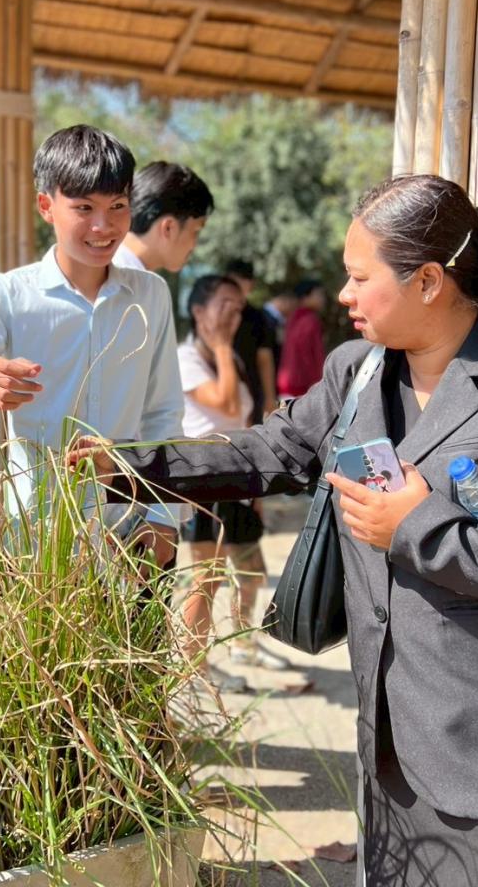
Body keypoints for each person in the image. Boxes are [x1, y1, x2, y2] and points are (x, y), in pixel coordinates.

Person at [76, 174, 478, 887]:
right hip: (395, 760)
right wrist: (126, 466)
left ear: (429, 281)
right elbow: (266, 452)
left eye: (360, 277)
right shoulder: (359, 373)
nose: (343, 294)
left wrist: (419, 527)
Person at [0, 125, 183, 565]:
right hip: (31, 548)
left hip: (129, 537)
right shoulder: (4, 296)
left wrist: (164, 516)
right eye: (84, 208)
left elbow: (163, 413)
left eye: (117, 206)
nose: (103, 226)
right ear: (46, 206)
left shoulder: (151, 295)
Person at [177, 275, 288, 693]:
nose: (233, 314)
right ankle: (193, 668)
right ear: (198, 311)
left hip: (237, 482)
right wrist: (223, 346)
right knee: (206, 580)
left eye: (239, 308)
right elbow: (223, 403)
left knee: (250, 571)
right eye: (225, 304)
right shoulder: (186, 358)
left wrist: (254, 488)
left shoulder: (230, 359)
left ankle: (243, 645)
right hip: (203, 483)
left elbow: (243, 418)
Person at [112, 160, 214, 273]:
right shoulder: (120, 277)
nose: (194, 245)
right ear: (168, 228)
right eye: (196, 231)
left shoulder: (110, 269)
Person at [223, 259, 279, 422]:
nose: (237, 285)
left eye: (243, 280)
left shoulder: (258, 317)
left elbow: (265, 359)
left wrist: (270, 398)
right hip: (216, 386)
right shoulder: (213, 313)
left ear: (251, 284)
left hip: (251, 388)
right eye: (232, 280)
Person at [276, 278, 327, 399]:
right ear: (305, 298)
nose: (322, 299)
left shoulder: (292, 317)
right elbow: (311, 355)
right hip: (303, 387)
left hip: (286, 383)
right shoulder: (310, 320)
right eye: (318, 295)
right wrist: (318, 383)